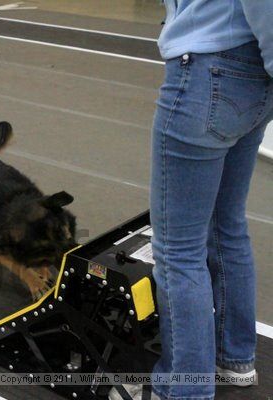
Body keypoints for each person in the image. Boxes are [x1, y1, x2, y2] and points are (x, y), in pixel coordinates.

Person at [111, 1, 273, 400]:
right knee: (226, 225)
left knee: (179, 250)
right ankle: (234, 359)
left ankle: (183, 389)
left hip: (208, 74)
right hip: (251, 78)